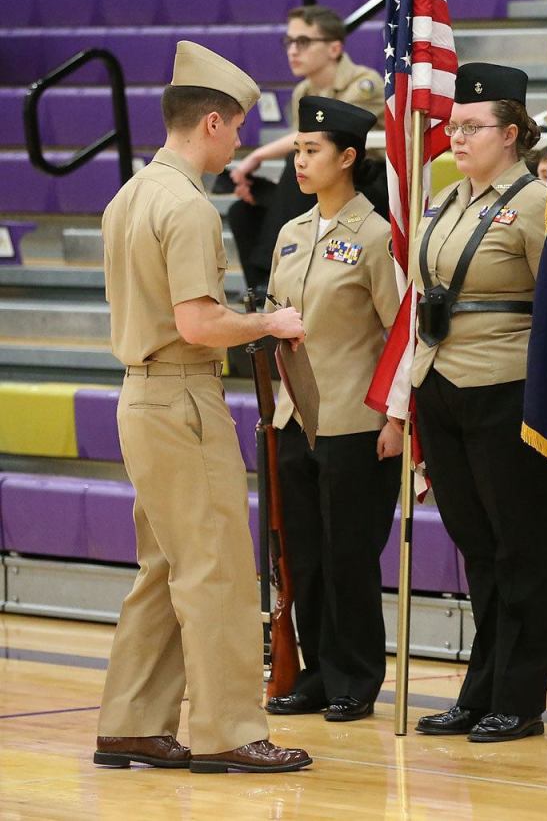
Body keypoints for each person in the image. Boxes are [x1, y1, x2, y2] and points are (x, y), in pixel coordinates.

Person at [95, 41, 311, 774]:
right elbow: (198, 324)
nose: (243, 139)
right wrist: (269, 324)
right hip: (183, 395)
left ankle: (130, 722)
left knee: (162, 566)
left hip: (139, 393)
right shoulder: (186, 206)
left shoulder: (129, 193)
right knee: (214, 567)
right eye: (240, 126)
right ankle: (228, 731)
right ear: (213, 122)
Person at [410, 63, 547, 743]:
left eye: (471, 127)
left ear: (510, 133)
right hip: (441, 382)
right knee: (477, 547)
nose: (456, 136)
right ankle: (481, 689)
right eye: (452, 125)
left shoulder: (535, 204)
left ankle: (521, 696)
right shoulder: (444, 201)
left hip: (507, 388)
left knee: (520, 548)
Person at [261, 97, 403, 722]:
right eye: (296, 149)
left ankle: (356, 677)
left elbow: (400, 332)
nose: (299, 159)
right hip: (294, 417)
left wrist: (396, 418)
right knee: (306, 556)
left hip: (354, 420)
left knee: (348, 555)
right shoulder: (291, 234)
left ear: (347, 157)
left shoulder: (375, 236)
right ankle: (317, 669)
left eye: (311, 150)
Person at [227, 5, 386, 297]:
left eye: (303, 42)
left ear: (334, 48)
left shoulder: (365, 83)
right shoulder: (304, 92)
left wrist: (257, 156)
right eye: (289, 42)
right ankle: (266, 293)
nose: (293, 51)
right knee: (242, 212)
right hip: (325, 179)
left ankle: (268, 280)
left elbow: (327, 139)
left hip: (364, 181)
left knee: (297, 160)